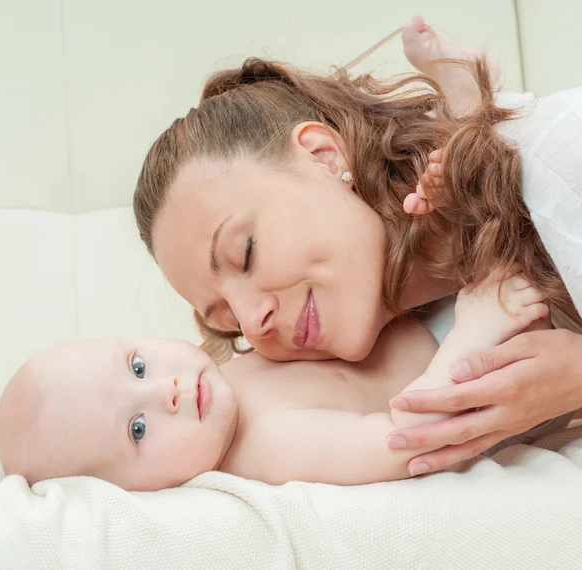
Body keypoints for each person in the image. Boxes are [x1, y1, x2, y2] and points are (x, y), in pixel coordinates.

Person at [132, 15, 582, 477]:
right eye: (229, 319)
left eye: (244, 252)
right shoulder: (435, 331)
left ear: (323, 158)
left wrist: (575, 378)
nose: (253, 320)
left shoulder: (560, 166)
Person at [0, 273, 549, 489]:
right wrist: (475, 332)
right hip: (483, 369)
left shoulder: (223, 374)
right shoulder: (267, 448)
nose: (162, 391)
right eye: (138, 429)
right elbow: (407, 439)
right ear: (136, 492)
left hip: (433, 307)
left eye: (138, 367)